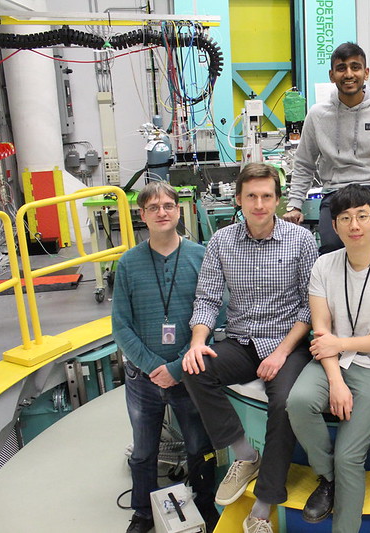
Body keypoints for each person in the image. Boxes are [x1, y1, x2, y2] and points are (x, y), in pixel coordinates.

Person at [181, 163, 318, 533]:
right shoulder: (222, 242)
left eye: (267, 196)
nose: (259, 204)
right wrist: (197, 342)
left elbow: (311, 306)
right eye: (252, 196)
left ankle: (261, 508)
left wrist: (281, 353)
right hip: (242, 341)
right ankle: (245, 454)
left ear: (278, 199)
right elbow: (207, 299)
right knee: (193, 369)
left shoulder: (301, 240)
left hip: (288, 343)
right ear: (238, 199)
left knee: (285, 402)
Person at [286, 184, 370, 532]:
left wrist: (342, 345)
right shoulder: (324, 266)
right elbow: (321, 330)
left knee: (349, 456)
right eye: (344, 218)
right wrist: (335, 381)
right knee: (298, 402)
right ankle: (328, 479)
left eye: (362, 216)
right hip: (332, 362)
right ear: (335, 225)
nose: (354, 225)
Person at [112, 182, 219, 533]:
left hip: (188, 373)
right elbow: (121, 326)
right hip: (142, 379)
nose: (162, 212)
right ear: (142, 215)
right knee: (143, 452)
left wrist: (176, 367)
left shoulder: (200, 257)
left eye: (168, 206)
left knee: (198, 445)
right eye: (153, 207)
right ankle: (143, 511)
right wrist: (153, 367)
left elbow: (215, 312)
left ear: (178, 210)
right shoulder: (127, 264)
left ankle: (205, 503)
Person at [283, 42, 370, 260]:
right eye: (341, 68)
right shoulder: (317, 115)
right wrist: (294, 205)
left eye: (355, 67)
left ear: (366, 73)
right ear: (332, 75)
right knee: (331, 245)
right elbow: (304, 163)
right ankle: (337, 293)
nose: (349, 74)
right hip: (337, 192)